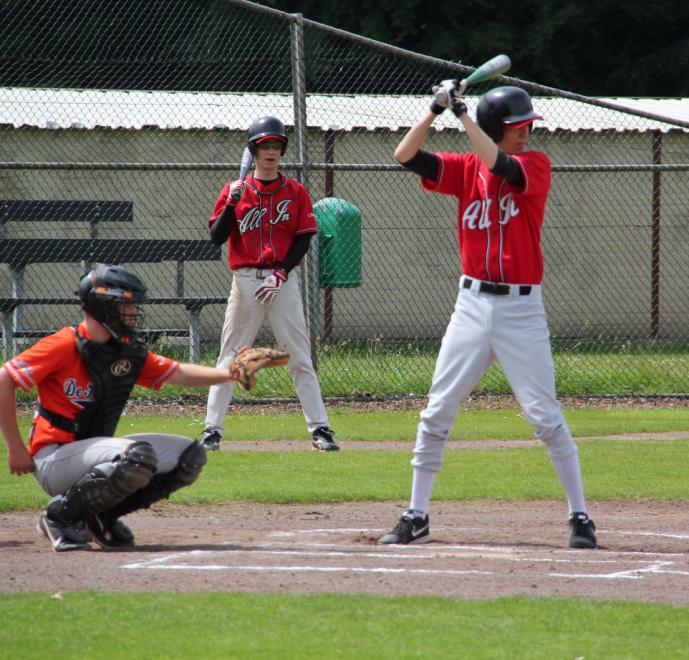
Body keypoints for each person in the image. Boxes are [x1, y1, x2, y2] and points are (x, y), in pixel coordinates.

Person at [378, 83, 596, 549]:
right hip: (472, 305)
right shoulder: (462, 169)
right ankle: (416, 514)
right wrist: (435, 110)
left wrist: (462, 115)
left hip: (521, 309)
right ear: (497, 127)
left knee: (544, 416)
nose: (526, 133)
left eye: (526, 126)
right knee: (437, 410)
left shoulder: (534, 164)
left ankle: (580, 516)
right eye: (518, 127)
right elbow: (404, 154)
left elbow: (501, 165)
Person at [0, 263, 278, 552]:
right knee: (137, 456)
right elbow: (5, 378)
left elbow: (178, 373)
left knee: (190, 456)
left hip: (95, 454)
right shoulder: (64, 344)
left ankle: (102, 516)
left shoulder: (125, 351)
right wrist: (15, 447)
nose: (133, 313)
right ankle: (59, 517)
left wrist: (229, 374)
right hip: (53, 458)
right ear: (103, 305)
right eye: (126, 306)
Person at [200, 115, 338, 452]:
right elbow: (216, 237)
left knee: (299, 355)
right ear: (254, 150)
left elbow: (304, 239)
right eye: (265, 146)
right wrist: (231, 203)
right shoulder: (236, 191)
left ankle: (320, 429)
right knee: (230, 356)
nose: (271, 151)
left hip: (282, 282)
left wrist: (281, 273)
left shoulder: (296, 192)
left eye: (276, 145)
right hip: (245, 281)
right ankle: (211, 431)